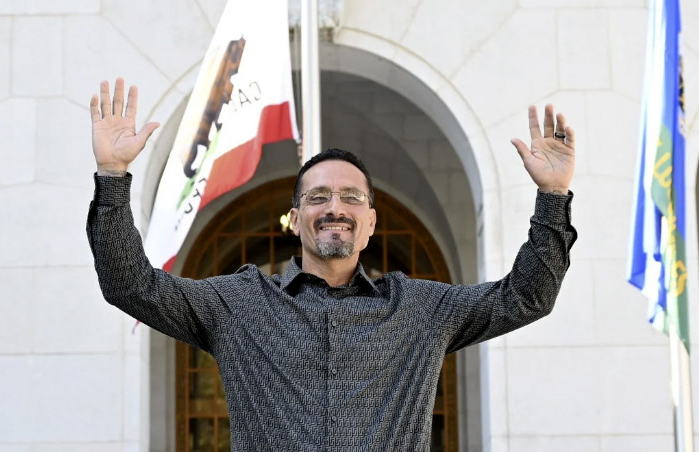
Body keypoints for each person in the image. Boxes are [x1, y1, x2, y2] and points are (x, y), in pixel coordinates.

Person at [87, 78, 577, 451]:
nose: (335, 207)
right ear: (297, 220)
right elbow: (130, 285)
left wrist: (553, 197)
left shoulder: (421, 310)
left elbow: (526, 297)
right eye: (318, 197)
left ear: (369, 222)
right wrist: (112, 176)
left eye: (350, 197)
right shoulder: (237, 304)